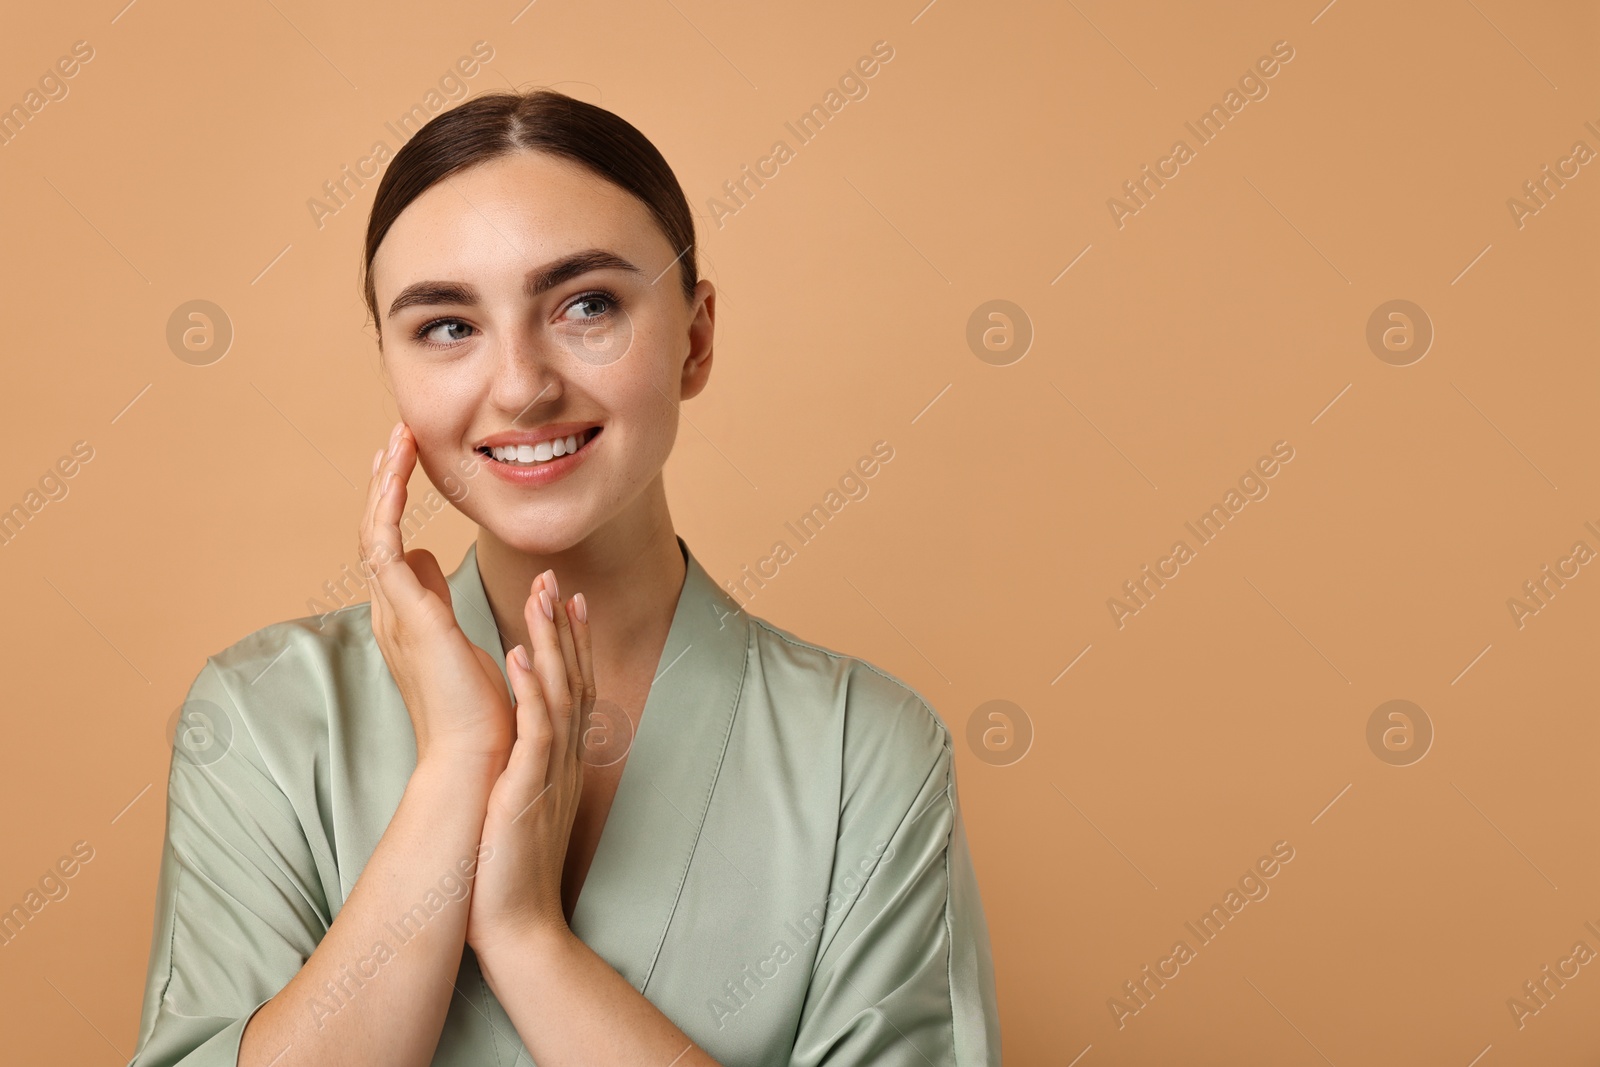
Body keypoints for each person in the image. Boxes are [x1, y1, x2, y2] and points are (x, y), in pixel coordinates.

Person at [127, 88, 1000, 1066]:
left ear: (695, 337)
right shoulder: (264, 714)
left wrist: (527, 941)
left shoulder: (866, 750)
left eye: (587, 305)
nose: (521, 384)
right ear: (393, 368)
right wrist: (457, 763)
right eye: (447, 326)